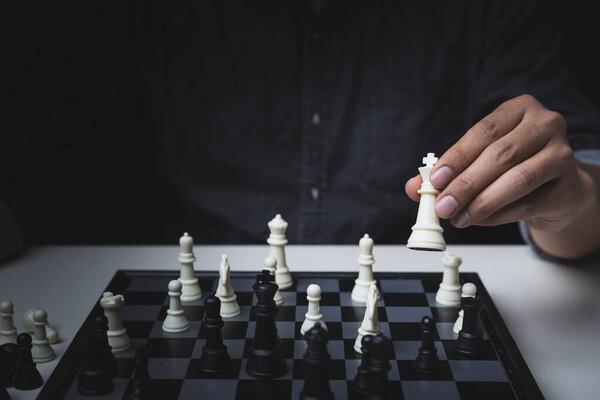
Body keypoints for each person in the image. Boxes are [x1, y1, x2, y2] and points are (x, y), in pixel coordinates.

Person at [2, 0, 599, 261]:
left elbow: (582, 177)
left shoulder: (487, 9)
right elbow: (41, 164)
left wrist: (569, 203)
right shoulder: (142, 12)